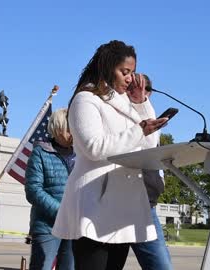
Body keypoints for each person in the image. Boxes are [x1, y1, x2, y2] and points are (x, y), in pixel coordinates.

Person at [52, 40, 167, 270]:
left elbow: (149, 144)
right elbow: (94, 147)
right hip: (95, 202)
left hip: (124, 204)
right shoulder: (86, 99)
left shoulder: (125, 101)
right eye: (124, 72)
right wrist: (139, 129)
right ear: (107, 67)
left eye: (132, 73)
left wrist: (141, 103)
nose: (129, 78)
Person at [127, 74, 173, 270]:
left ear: (150, 92)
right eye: (132, 86)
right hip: (120, 201)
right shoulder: (119, 115)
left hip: (147, 204)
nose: (135, 91)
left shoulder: (149, 115)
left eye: (142, 87)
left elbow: (150, 145)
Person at [25, 108, 75, 270]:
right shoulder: (40, 153)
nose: (73, 131)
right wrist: (61, 212)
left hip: (74, 226)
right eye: (69, 128)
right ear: (58, 129)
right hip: (47, 226)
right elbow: (33, 190)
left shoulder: (82, 154)